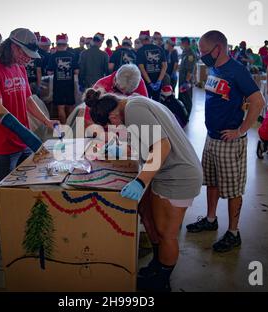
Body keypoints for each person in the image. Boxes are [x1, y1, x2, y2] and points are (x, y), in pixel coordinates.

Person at [84, 88, 202, 292]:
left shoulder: (134, 110)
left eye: (112, 125)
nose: (116, 127)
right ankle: (157, 265)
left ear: (112, 115)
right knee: (151, 219)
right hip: (166, 172)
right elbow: (146, 142)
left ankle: (162, 281)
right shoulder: (134, 103)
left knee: (167, 233)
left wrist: (140, 182)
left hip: (178, 175)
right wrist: (119, 148)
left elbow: (162, 147)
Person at [0, 28, 58, 270]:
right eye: (25, 53)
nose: (28, 58)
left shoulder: (20, 68)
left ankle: (17, 232)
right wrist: (32, 138)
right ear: (12, 46)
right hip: (2, 144)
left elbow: (27, 100)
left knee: (22, 189)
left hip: (22, 141)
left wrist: (47, 121)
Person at [186, 30, 265, 253]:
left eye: (204, 51)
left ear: (218, 48)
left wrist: (240, 131)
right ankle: (211, 219)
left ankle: (233, 233)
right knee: (211, 181)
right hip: (211, 137)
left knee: (232, 189)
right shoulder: (215, 67)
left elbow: (257, 101)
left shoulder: (237, 71)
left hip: (229, 141)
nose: (202, 56)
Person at [84, 64, 148, 128]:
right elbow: (88, 122)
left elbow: (144, 114)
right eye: (122, 90)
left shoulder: (136, 81)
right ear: (115, 81)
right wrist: (103, 135)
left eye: (129, 92)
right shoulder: (102, 85)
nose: (124, 93)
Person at [47, 33, 79, 124]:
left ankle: (64, 128)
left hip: (58, 86)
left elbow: (49, 72)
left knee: (60, 108)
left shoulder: (53, 56)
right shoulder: (72, 55)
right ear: (66, 44)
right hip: (69, 85)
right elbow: (77, 71)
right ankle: (70, 128)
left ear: (57, 44)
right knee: (70, 107)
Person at [136, 31, 167, 102]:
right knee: (157, 104)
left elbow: (141, 68)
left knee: (146, 103)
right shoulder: (159, 49)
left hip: (146, 83)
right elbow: (164, 66)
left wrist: (150, 83)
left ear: (142, 39)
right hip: (158, 81)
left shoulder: (140, 51)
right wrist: (159, 81)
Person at [179, 37, 196, 117]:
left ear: (185, 43)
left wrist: (186, 81)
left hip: (186, 80)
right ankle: (182, 114)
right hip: (182, 78)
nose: (180, 45)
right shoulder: (184, 52)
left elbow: (190, 70)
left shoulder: (190, 54)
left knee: (187, 98)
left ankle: (187, 116)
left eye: (181, 43)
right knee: (182, 97)